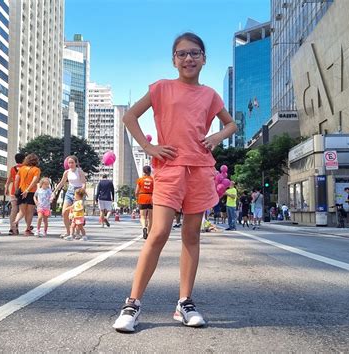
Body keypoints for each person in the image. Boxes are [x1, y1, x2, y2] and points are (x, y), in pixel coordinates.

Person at [112, 32, 237, 333]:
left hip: (200, 169)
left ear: (204, 58)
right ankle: (132, 304)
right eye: (181, 54)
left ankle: (185, 303)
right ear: (174, 60)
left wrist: (218, 136)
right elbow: (129, 117)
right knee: (158, 233)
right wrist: (149, 148)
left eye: (194, 53)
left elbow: (231, 123)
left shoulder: (210, 95)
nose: (188, 58)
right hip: (169, 169)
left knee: (192, 236)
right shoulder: (162, 88)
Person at [53, 155, 86, 238]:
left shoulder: (79, 171)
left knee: (76, 213)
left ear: (76, 163)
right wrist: (54, 191)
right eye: (69, 163)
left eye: (72, 162)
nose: (70, 164)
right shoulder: (67, 172)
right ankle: (68, 231)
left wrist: (81, 193)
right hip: (69, 191)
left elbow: (83, 183)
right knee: (64, 212)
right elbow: (61, 182)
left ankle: (77, 233)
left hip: (78, 192)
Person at [11, 153, 41, 236]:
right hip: (31, 192)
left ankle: (15, 221)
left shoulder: (22, 168)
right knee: (29, 212)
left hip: (21, 191)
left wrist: (17, 189)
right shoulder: (36, 170)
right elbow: (34, 180)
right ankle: (27, 229)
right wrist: (28, 190)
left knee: (22, 211)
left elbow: (16, 179)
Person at [4, 153, 25, 235]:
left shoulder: (13, 169)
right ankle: (25, 228)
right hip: (23, 191)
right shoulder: (25, 168)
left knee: (14, 209)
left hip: (14, 192)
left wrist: (6, 188)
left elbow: (9, 180)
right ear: (24, 159)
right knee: (22, 211)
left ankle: (12, 229)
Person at [136, 165, 154, 239]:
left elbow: (136, 191)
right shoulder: (153, 180)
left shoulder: (140, 180)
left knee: (143, 216)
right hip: (151, 198)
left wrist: (137, 197)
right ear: (150, 171)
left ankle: (144, 228)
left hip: (142, 197)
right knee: (150, 218)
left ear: (143, 172)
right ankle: (149, 234)